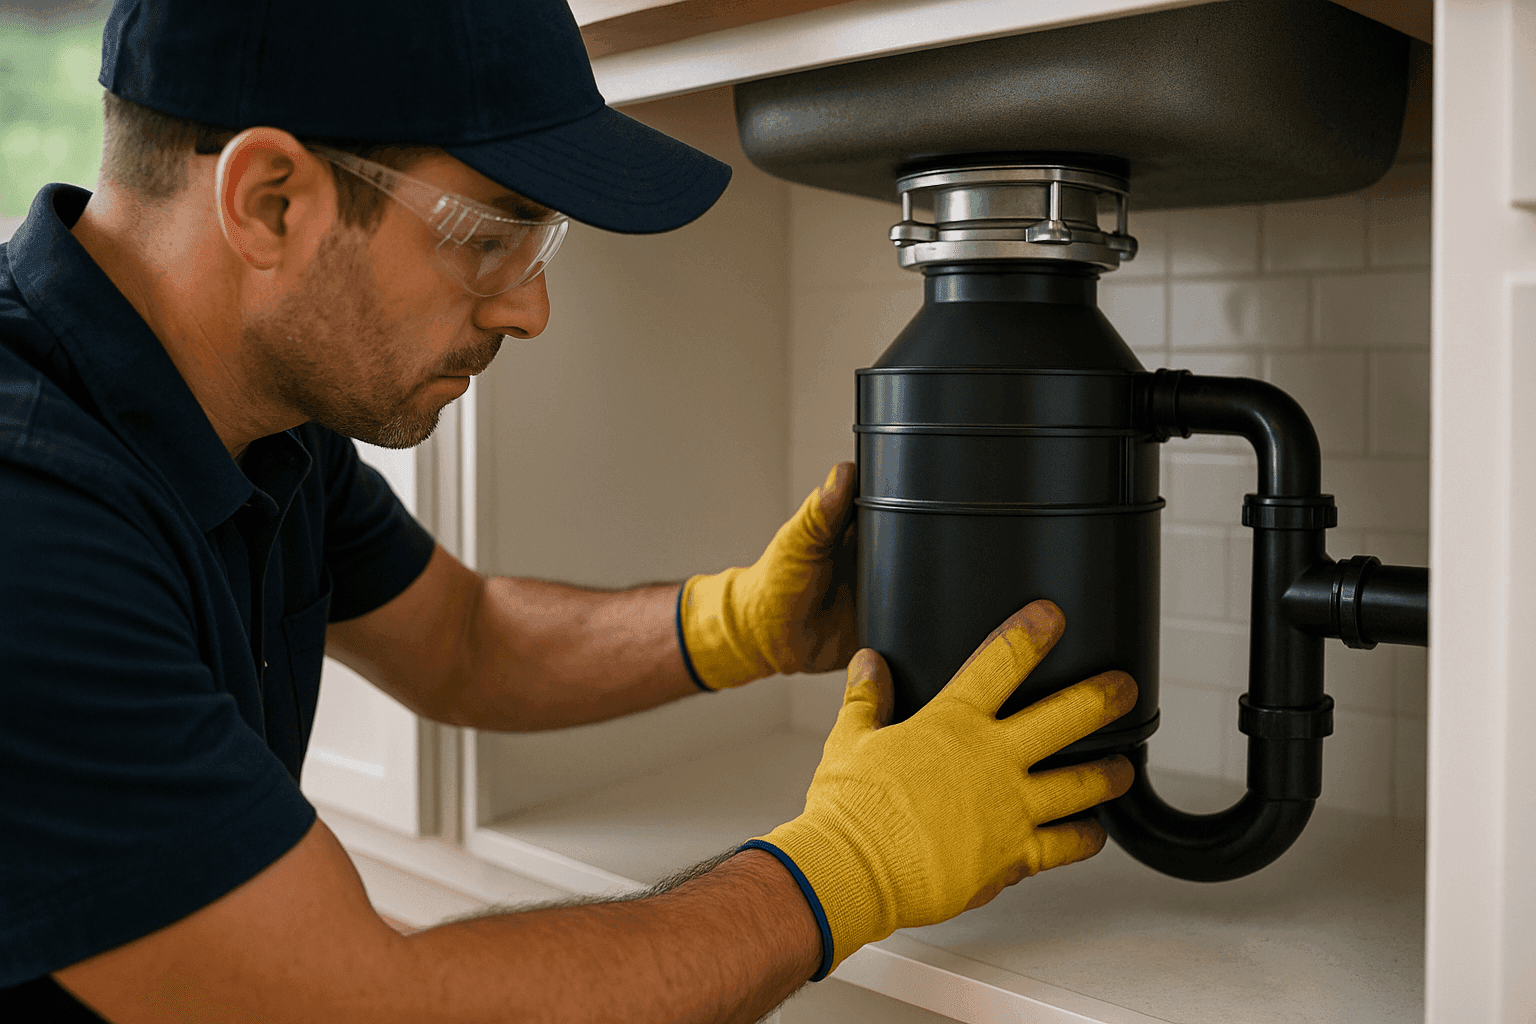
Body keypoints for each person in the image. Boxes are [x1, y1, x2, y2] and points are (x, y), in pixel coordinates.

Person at [0, 0, 1137, 1020]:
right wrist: (850, 865)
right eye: (491, 235)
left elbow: (462, 638)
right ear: (270, 200)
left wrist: (736, 623)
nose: (531, 307)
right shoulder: (31, 522)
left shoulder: (256, 420)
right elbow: (353, 1008)